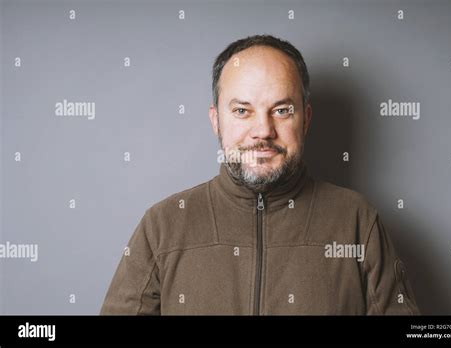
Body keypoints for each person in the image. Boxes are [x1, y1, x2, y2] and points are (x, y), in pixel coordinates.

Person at [100, 34, 420, 315]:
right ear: (216, 121)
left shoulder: (358, 221)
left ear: (305, 120)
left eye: (281, 110)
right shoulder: (163, 226)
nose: (263, 131)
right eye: (242, 111)